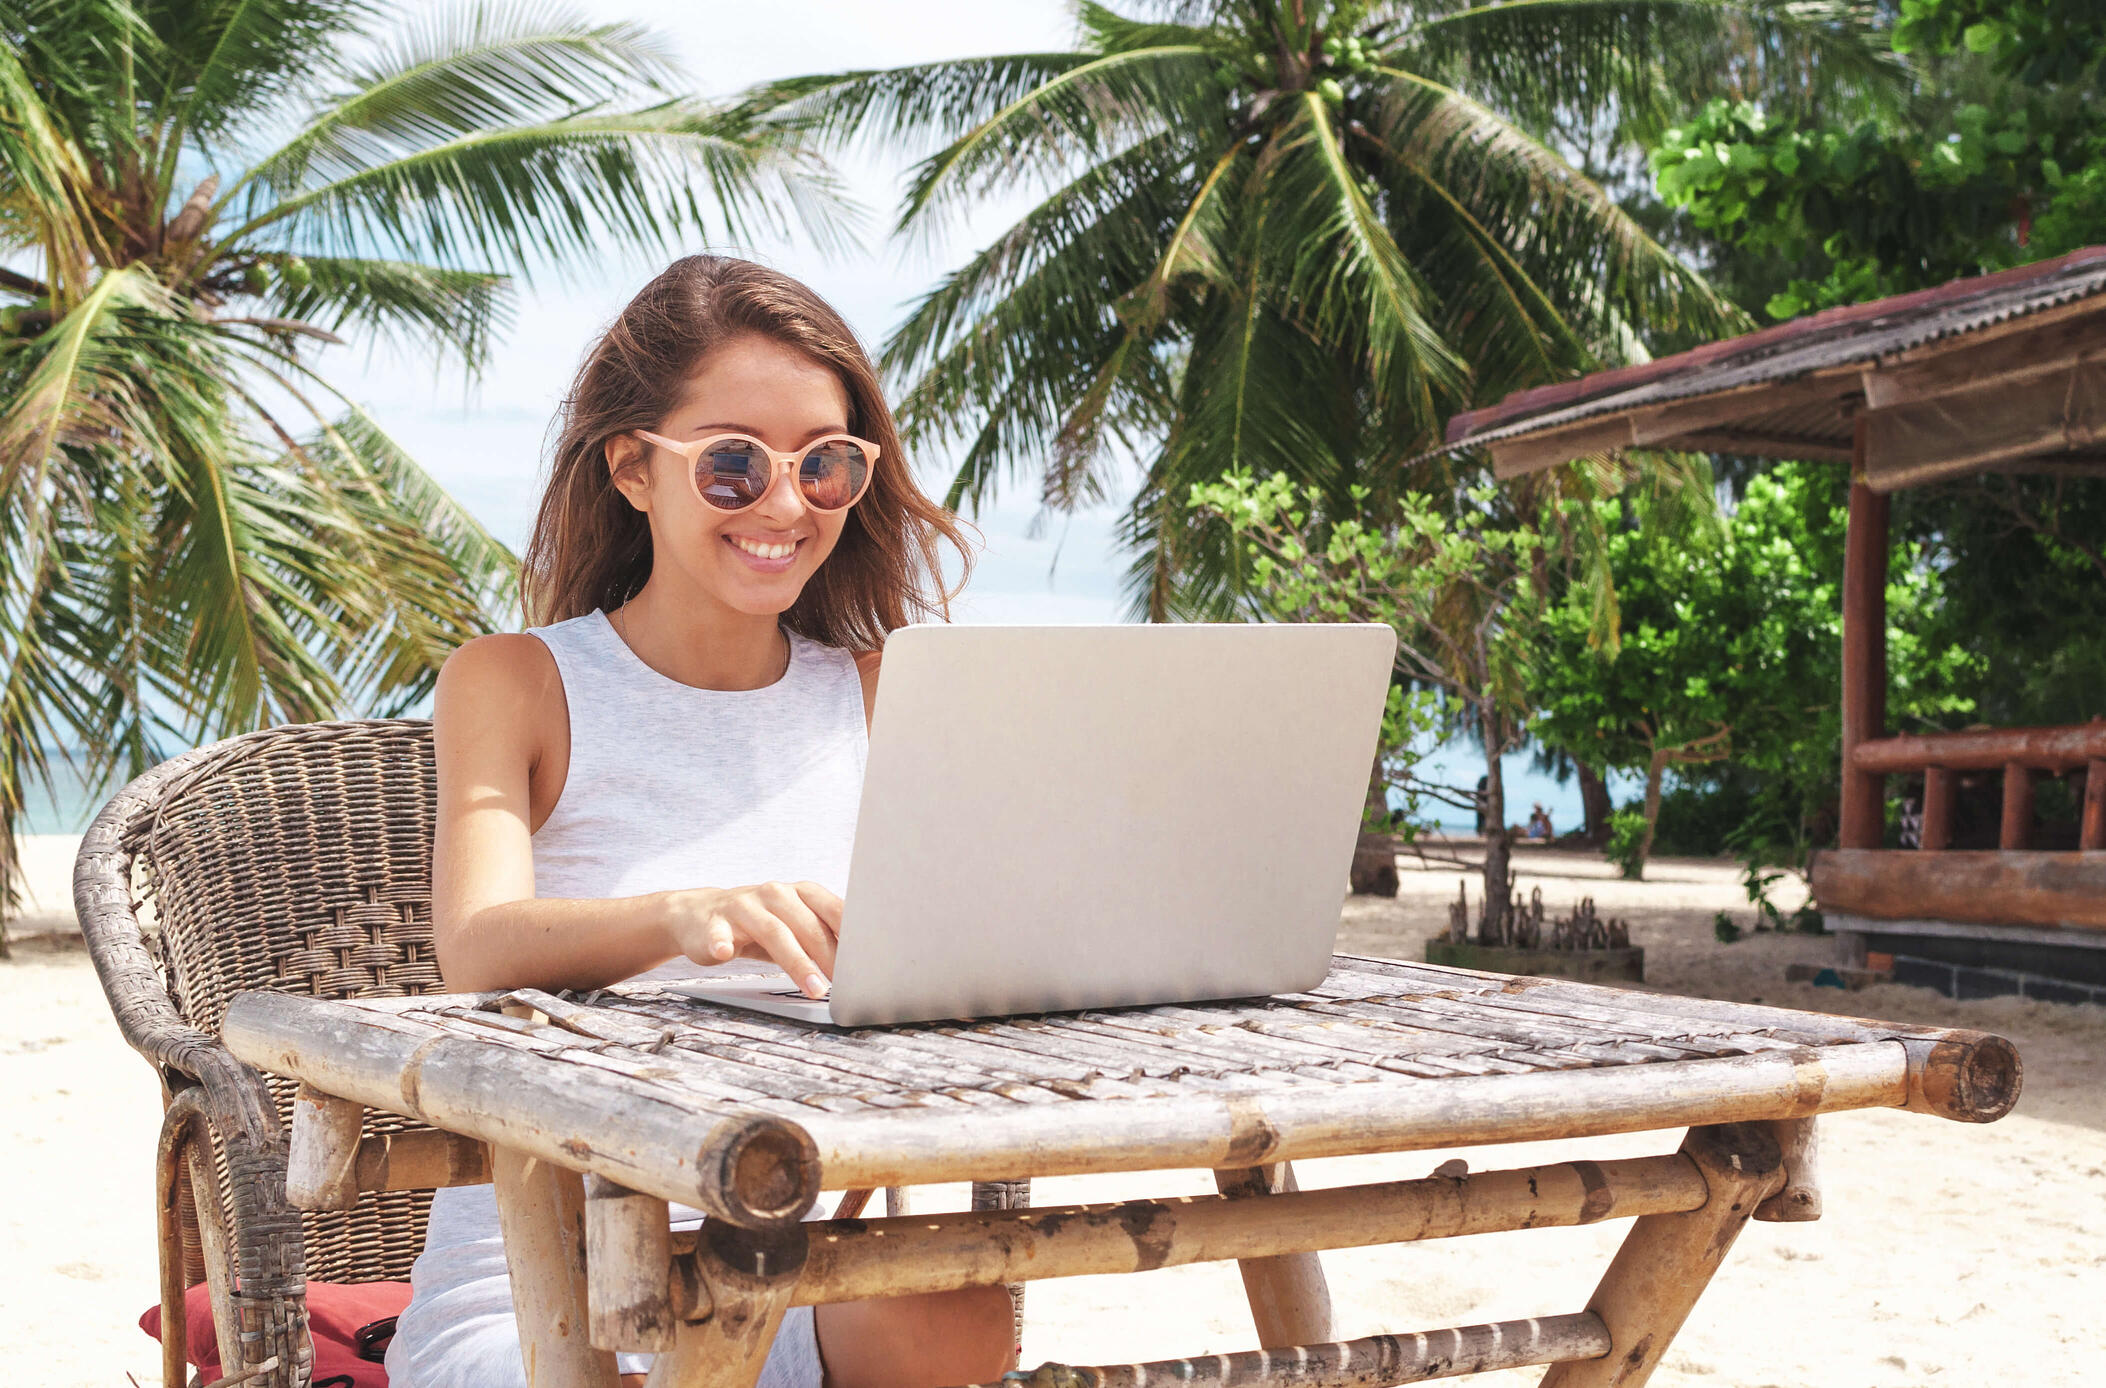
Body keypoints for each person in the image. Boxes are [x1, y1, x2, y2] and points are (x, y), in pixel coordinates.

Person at [391, 256, 1016, 1388]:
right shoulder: (517, 679)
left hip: (787, 1268)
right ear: (634, 466)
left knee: (962, 1317)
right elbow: (476, 942)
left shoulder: (882, 691)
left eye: (826, 464)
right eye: (735, 464)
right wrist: (685, 916)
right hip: (551, 1293)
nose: (787, 505)